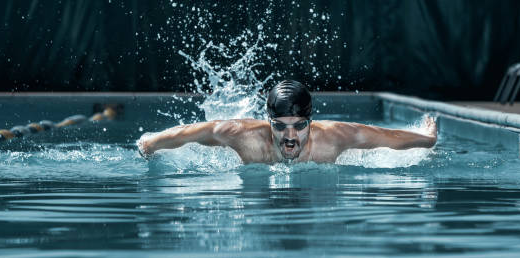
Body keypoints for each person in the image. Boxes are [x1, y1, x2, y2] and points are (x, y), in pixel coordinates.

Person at [137, 80, 437, 164]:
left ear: (311, 122)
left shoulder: (335, 137)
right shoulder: (244, 136)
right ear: (269, 123)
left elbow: (387, 138)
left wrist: (427, 139)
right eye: (280, 126)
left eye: (299, 125)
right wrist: (151, 143)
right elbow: (192, 132)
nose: (290, 136)